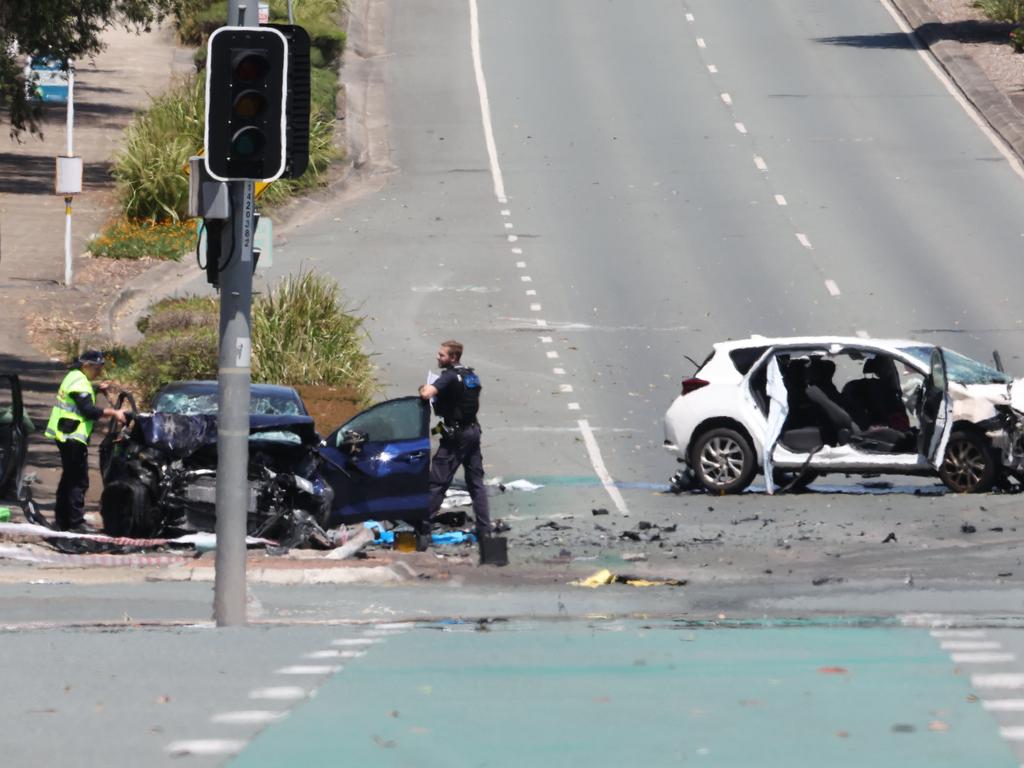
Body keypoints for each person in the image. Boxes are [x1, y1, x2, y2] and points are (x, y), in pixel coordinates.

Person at [45, 350, 127, 532]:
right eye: (97, 368)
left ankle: (61, 520)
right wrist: (114, 412)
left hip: (65, 434)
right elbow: (88, 410)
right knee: (78, 480)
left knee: (68, 478)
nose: (99, 372)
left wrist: (97, 388)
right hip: (73, 436)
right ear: (86, 366)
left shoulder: (74, 376)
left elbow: (80, 395)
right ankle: (75, 523)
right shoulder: (80, 382)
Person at [417, 340, 492, 540]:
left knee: (437, 483)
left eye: (442, 355)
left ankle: (423, 529)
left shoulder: (449, 376)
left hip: (456, 437)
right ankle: (485, 531)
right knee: (476, 484)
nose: (438, 357)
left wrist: (425, 387)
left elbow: (427, 394)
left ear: (453, 357)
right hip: (473, 431)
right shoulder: (470, 375)